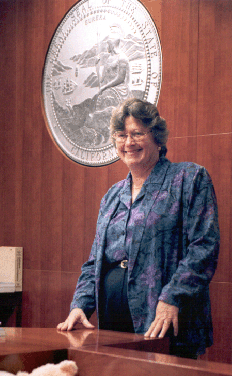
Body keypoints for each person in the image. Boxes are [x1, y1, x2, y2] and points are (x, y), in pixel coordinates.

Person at [57, 98, 220, 358]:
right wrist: (81, 305)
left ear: (157, 137)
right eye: (121, 135)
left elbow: (204, 247)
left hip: (163, 321)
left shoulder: (188, 179)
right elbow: (95, 262)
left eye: (137, 134)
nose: (128, 143)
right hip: (112, 326)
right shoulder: (112, 195)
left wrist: (172, 297)